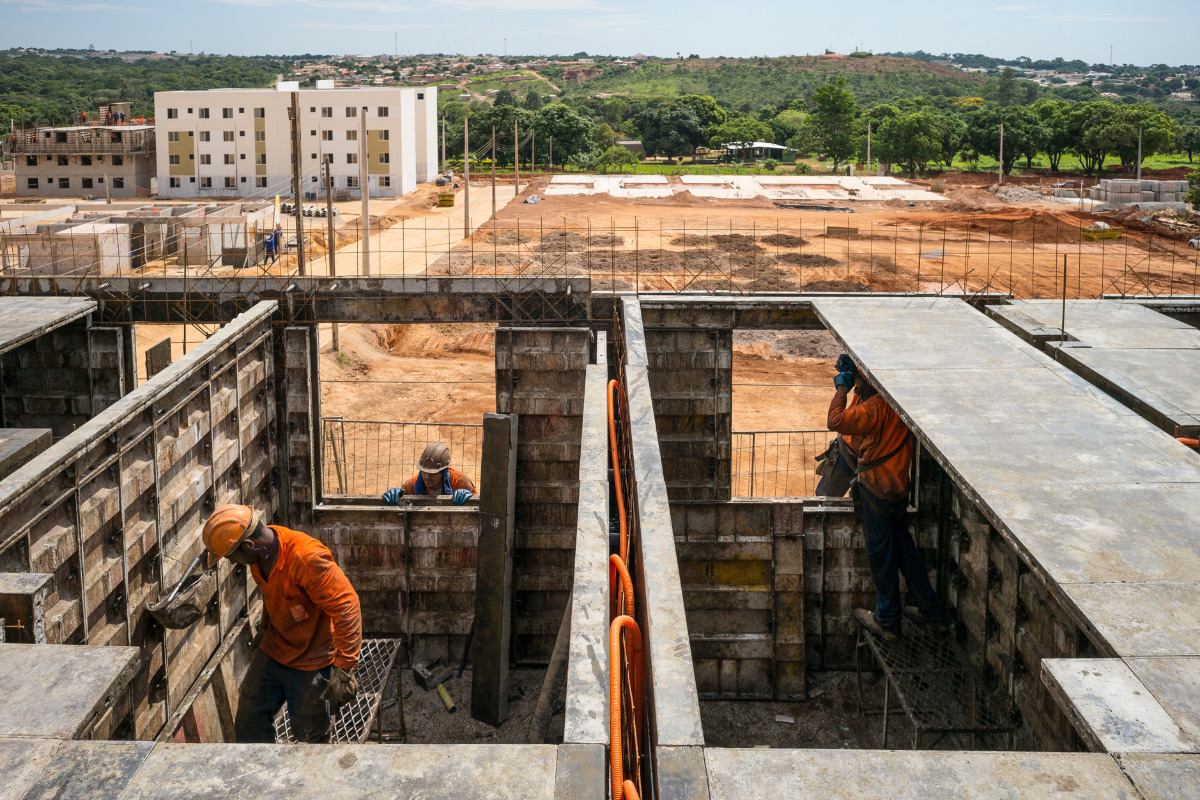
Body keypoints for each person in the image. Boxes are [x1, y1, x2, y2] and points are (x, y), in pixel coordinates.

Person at [202, 504, 362, 743]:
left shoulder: (305, 558)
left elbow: (347, 606)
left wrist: (344, 667)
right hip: (275, 649)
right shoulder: (260, 555)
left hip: (312, 658)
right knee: (248, 724)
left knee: (309, 737)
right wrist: (265, 628)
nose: (233, 562)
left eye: (232, 556)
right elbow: (273, 593)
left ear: (248, 545)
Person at [827, 357, 945, 640]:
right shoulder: (903, 404)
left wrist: (842, 390)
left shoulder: (879, 408)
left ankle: (888, 619)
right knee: (906, 553)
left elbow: (836, 421)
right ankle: (934, 614)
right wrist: (857, 379)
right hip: (897, 488)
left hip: (875, 488)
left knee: (880, 554)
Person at [382, 441, 476, 505]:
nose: (427, 476)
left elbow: (478, 506)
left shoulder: (461, 482)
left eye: (433, 473)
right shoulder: (411, 485)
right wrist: (396, 497)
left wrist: (470, 499)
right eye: (424, 472)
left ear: (443, 472)